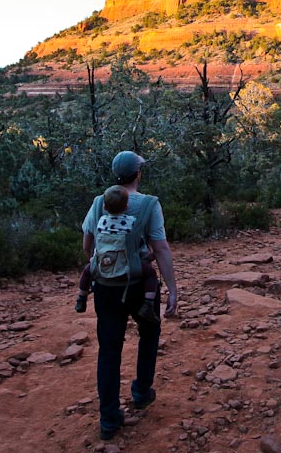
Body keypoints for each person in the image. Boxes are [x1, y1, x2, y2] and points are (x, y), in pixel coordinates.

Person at [82, 151, 178, 441]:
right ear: (138, 174)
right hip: (137, 285)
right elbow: (160, 248)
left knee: (109, 350)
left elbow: (88, 242)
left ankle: (109, 420)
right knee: (149, 333)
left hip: (106, 288)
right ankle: (141, 391)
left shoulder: (100, 202)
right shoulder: (150, 204)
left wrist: (100, 264)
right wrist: (172, 288)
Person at [75, 185, 159, 324]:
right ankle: (148, 304)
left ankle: (82, 298)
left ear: (105, 208)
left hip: (103, 263)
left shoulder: (100, 221)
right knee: (150, 273)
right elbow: (139, 245)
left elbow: (88, 244)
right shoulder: (131, 223)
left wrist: (93, 258)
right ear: (126, 207)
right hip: (128, 267)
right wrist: (150, 256)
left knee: (86, 271)